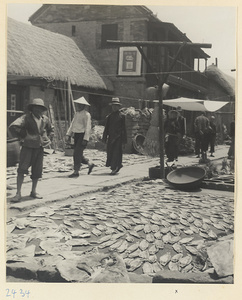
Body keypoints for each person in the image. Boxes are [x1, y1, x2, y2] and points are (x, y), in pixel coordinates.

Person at [9, 98, 54, 202]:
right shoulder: (25, 118)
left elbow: (51, 129)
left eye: (40, 108)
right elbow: (13, 126)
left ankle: (33, 191)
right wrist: (24, 136)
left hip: (39, 148)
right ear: (32, 108)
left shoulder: (45, 119)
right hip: (28, 148)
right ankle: (18, 193)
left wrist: (49, 139)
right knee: (22, 170)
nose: (38, 110)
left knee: (37, 171)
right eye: (36, 107)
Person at [66, 97, 94, 178]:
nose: (79, 106)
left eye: (81, 105)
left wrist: (85, 139)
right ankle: (89, 163)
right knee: (78, 153)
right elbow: (72, 125)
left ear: (84, 106)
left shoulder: (86, 114)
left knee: (76, 154)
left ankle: (76, 171)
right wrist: (68, 134)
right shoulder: (76, 114)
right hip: (76, 135)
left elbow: (88, 127)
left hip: (82, 135)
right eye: (78, 104)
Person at [102, 97, 127, 175]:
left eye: (116, 106)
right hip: (111, 137)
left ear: (119, 107)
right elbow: (106, 128)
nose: (114, 107)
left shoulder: (122, 116)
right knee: (110, 152)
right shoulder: (109, 116)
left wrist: (124, 141)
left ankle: (114, 168)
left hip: (118, 137)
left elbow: (124, 129)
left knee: (117, 153)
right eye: (113, 106)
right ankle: (117, 166)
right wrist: (104, 138)